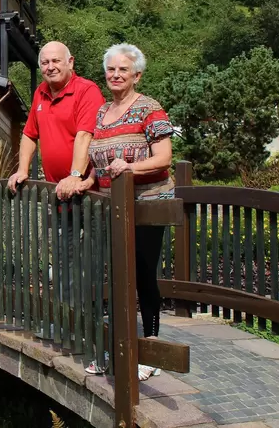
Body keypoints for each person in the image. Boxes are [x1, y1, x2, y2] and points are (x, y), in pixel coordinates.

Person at [78, 43, 174, 381]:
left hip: (148, 203)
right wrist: (84, 180)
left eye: (124, 70)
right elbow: (98, 161)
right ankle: (114, 348)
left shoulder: (149, 108)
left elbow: (163, 158)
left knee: (142, 273)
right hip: (111, 206)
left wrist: (131, 168)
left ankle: (150, 351)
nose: (116, 75)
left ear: (137, 75)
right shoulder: (102, 112)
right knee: (116, 276)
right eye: (111, 69)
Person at [6, 41, 104, 198]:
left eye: (56, 61)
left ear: (70, 62)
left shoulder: (86, 90)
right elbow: (30, 134)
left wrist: (75, 175)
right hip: (56, 192)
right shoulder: (40, 92)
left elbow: (86, 136)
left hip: (87, 194)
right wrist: (22, 170)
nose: (50, 67)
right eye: (45, 63)